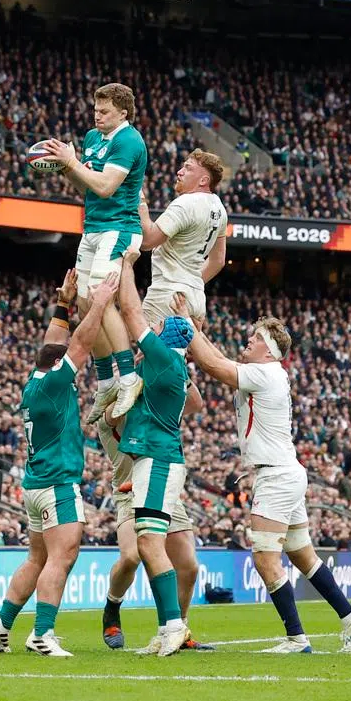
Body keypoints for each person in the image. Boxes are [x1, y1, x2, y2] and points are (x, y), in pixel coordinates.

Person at [186, 308, 351, 654]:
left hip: (275, 476)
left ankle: (296, 638)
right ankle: (350, 617)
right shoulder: (269, 371)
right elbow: (220, 359)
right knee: (303, 556)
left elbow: (214, 367)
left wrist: (186, 328)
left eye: (256, 338)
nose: (249, 340)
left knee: (265, 560)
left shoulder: (264, 373)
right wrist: (198, 332)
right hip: (287, 471)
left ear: (268, 350)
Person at [0, 268, 116, 657]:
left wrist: (64, 303)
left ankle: (2, 622)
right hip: (58, 483)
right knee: (64, 555)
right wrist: (100, 302)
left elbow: (55, 343)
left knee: (37, 557)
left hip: (35, 484)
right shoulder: (58, 381)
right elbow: (78, 343)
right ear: (60, 367)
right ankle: (42, 632)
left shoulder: (36, 380)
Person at [45, 83, 148, 421]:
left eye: (104, 111)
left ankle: (129, 378)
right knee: (88, 303)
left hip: (119, 229)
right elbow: (85, 184)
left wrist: (72, 162)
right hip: (92, 228)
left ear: (123, 112)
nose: (97, 116)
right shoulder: (92, 137)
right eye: (95, 110)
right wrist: (66, 168)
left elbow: (105, 187)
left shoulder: (129, 141)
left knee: (102, 299)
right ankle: (106, 383)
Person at [108, 252, 192, 658]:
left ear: (165, 337)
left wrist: (126, 265)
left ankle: (174, 624)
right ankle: (167, 626)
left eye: (158, 329)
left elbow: (129, 309)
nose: (151, 331)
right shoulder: (172, 364)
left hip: (158, 461)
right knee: (147, 543)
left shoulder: (161, 358)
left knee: (150, 545)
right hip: (155, 459)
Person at [97, 371, 212, 653]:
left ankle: (179, 628)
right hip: (129, 490)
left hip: (164, 487)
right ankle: (112, 606)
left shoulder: (156, 403)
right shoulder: (109, 411)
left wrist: (175, 368)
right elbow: (113, 416)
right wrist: (135, 379)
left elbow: (195, 404)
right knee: (131, 556)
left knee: (188, 565)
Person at [138, 150, 228, 328]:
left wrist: (140, 202)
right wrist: (189, 283)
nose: (179, 172)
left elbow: (147, 241)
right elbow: (218, 260)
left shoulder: (186, 203)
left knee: (152, 354)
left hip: (168, 295)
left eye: (188, 168)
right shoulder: (220, 208)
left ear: (203, 180)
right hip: (195, 297)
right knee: (178, 356)